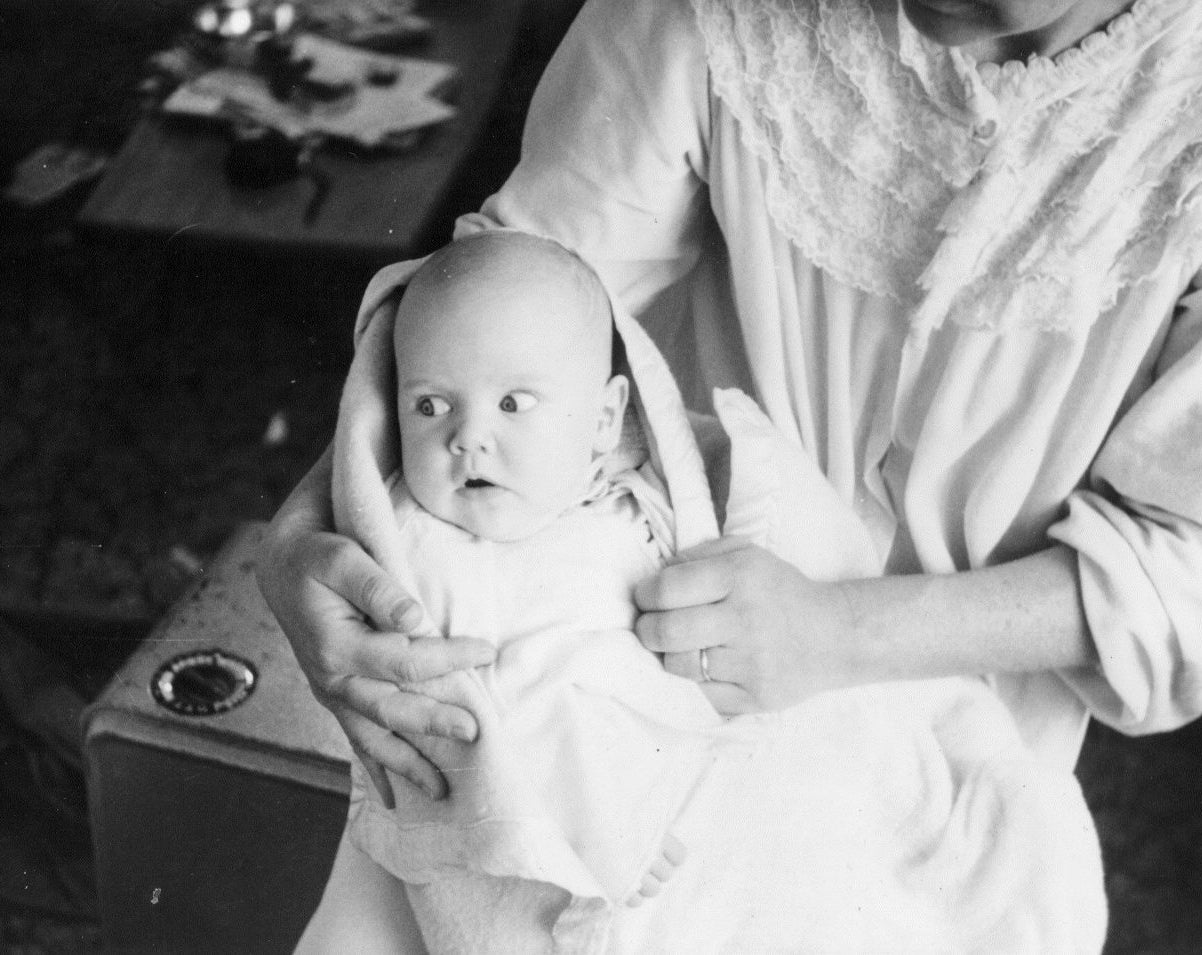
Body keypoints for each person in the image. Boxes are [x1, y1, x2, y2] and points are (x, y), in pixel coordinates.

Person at [259, 0, 1202, 946]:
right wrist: (311, 528)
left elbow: (1187, 567)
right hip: (623, 679)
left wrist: (834, 629)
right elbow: (513, 311)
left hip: (945, 754)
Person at [301, 228, 1104, 953]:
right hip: (620, 831)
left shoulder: (629, 482)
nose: (468, 435)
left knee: (886, 826)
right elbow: (507, 711)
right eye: (430, 405)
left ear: (605, 419)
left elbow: (809, 541)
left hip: (785, 688)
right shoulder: (435, 554)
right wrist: (610, 825)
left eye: (514, 404)